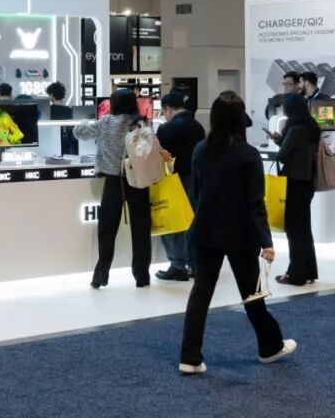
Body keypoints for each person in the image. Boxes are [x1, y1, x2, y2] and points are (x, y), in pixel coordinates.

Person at [179, 91, 296, 374]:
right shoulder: (248, 155)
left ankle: (189, 357)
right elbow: (256, 203)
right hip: (240, 235)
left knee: (200, 294)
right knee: (252, 294)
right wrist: (266, 241)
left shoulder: (200, 150)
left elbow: (196, 195)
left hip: (205, 231)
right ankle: (270, 346)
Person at [74, 89, 151, 289]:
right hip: (139, 180)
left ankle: (100, 275)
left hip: (114, 181)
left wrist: (83, 120)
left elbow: (79, 132)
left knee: (106, 230)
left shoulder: (106, 122)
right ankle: (142, 277)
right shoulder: (142, 123)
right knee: (141, 230)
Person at [155, 90, 206, 282]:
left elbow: (158, 156)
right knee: (192, 222)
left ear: (168, 109)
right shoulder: (198, 127)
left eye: (163, 112)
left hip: (174, 181)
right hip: (196, 179)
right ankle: (194, 264)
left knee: (173, 223)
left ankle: (177, 266)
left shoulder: (166, 129)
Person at [272, 93, 320, 285]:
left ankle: (296, 274)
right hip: (307, 183)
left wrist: (280, 142)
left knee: (294, 231)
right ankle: (308, 271)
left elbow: (282, 156)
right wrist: (281, 140)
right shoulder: (311, 127)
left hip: (293, 183)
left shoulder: (295, 130)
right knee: (304, 230)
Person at [47, 82, 78, 155]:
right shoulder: (70, 110)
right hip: (69, 147)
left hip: (51, 144)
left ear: (52, 95)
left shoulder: (48, 111)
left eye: (49, 95)